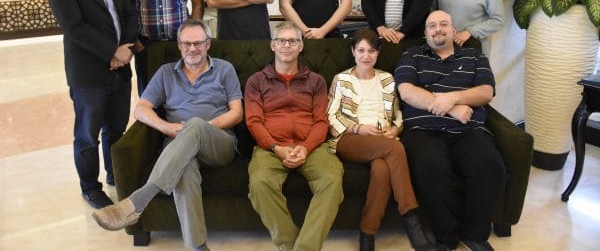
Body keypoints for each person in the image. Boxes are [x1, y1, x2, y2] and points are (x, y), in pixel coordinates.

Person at [91, 19, 243, 251]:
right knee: (185, 171)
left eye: (198, 43)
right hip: (178, 146)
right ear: (179, 46)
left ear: (208, 44)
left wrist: (203, 128)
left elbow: (237, 113)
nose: (192, 48)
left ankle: (136, 202)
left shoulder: (224, 69)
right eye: (186, 43)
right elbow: (141, 108)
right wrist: (166, 127)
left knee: (195, 124)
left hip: (218, 144)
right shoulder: (165, 73)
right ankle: (198, 246)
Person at [395, 10, 506, 251]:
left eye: (443, 24)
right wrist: (452, 109)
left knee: (490, 166)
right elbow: (407, 92)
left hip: (468, 129)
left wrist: (452, 98)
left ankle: (474, 235)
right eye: (431, 25)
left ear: (453, 30)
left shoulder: (474, 56)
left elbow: (486, 92)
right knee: (431, 167)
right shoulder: (411, 55)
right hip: (424, 129)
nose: (438, 29)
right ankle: (446, 237)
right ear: (425, 34)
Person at [48, 0, 139, 209]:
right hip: (89, 74)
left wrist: (125, 48)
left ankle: (115, 175)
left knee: (116, 130)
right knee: (87, 136)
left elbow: (130, 15)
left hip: (120, 70)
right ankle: (90, 187)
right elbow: (74, 27)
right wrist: (112, 51)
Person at [327, 29, 436, 251]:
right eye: (361, 50)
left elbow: (397, 114)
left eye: (371, 51)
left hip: (382, 141)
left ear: (378, 52)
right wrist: (358, 128)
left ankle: (367, 234)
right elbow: (330, 115)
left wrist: (395, 131)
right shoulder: (341, 79)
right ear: (353, 52)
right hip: (350, 138)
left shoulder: (387, 79)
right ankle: (411, 218)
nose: (366, 56)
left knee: (381, 170)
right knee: (395, 149)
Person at [245, 21, 344, 250]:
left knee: (332, 180)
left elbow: (321, 121)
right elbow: (254, 121)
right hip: (271, 147)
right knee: (259, 183)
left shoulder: (316, 81)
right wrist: (276, 148)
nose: (287, 45)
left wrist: (306, 147)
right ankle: (289, 245)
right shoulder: (256, 81)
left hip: (311, 146)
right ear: (272, 45)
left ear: (301, 46)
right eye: (281, 40)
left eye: (293, 41)